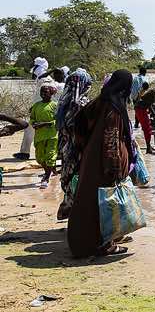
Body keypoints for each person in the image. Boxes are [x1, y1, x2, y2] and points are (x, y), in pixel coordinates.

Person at [67, 69, 137, 257]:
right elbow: (111, 139)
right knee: (103, 203)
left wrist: (84, 148)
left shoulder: (99, 101)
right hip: (104, 163)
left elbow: (79, 123)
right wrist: (114, 168)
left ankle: (86, 243)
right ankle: (102, 245)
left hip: (92, 158)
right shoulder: (113, 107)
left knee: (89, 200)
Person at [56, 69, 93, 219]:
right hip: (80, 151)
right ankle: (79, 218)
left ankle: (71, 212)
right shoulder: (83, 104)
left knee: (70, 181)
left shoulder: (62, 104)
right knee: (81, 183)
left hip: (66, 151)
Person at [17, 57, 50, 160]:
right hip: (39, 108)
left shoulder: (44, 77)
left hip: (41, 109)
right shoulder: (42, 77)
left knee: (31, 129)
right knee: (32, 130)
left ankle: (25, 153)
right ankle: (26, 152)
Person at [30, 83, 59, 188]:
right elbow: (32, 118)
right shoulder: (36, 105)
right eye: (41, 92)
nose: (43, 94)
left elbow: (58, 121)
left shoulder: (55, 105)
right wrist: (34, 124)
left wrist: (45, 124)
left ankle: (46, 177)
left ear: (51, 93)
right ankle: (50, 171)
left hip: (52, 135)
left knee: (50, 156)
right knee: (40, 158)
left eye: (45, 92)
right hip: (39, 136)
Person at [134, 82, 155, 154]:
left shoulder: (146, 98)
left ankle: (149, 146)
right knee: (147, 129)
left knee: (147, 129)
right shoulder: (146, 99)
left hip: (140, 110)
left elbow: (150, 107)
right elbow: (151, 107)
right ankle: (148, 148)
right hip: (140, 111)